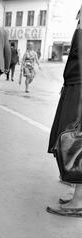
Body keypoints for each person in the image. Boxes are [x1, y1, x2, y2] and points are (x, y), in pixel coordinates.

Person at [46, 7, 82, 217]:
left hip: (78, 87)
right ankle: (78, 194)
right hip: (75, 85)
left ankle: (78, 201)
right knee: (74, 139)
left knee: (75, 140)